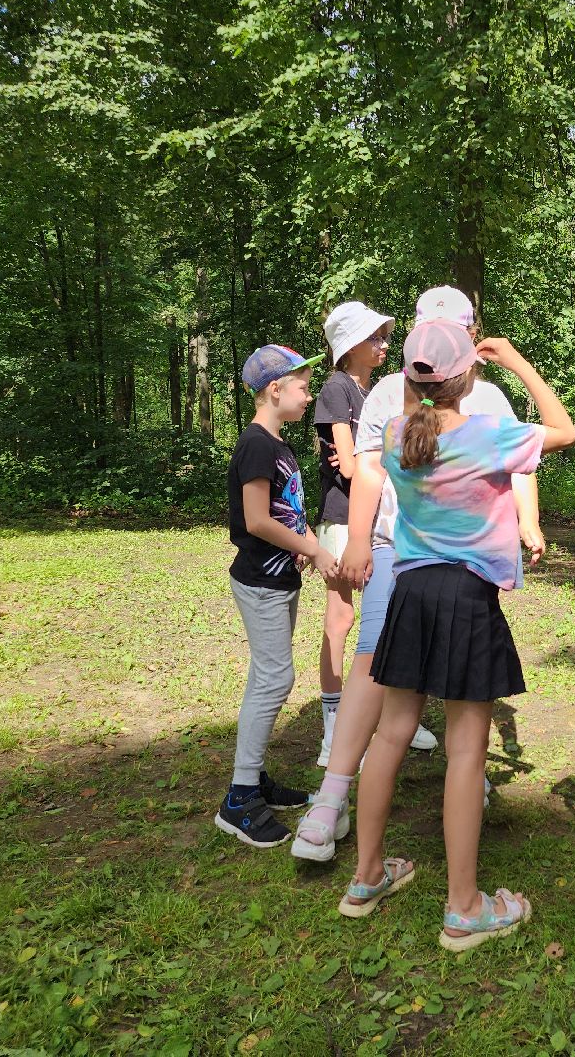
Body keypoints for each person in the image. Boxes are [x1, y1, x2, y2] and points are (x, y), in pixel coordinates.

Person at [338, 320, 575, 952]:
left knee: (390, 734)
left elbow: (416, 419)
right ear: (469, 374)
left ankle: (365, 878)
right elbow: (565, 428)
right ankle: (464, 907)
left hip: (411, 594)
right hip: (467, 597)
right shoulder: (490, 436)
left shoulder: (395, 434)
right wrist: (520, 363)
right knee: (466, 751)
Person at [291, 286, 544, 862]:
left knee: (394, 679)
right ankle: (332, 799)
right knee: (376, 664)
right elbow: (370, 476)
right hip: (402, 552)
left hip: (439, 558)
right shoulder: (398, 393)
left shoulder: (471, 398)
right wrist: (359, 540)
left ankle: (384, 813)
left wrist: (528, 520)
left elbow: (519, 469)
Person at [214, 344, 338, 848]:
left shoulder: (279, 444)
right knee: (275, 678)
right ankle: (239, 799)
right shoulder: (257, 445)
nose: (309, 396)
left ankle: (254, 774)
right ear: (275, 389)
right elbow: (256, 519)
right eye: (304, 387)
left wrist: (301, 543)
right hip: (260, 582)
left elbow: (284, 510)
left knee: (266, 677)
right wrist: (314, 546)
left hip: (279, 577)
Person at [311, 301, 395, 768]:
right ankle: (334, 720)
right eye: (374, 338)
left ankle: (385, 715)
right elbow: (347, 461)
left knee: (383, 620)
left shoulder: (377, 390)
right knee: (342, 618)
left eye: (383, 337)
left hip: (380, 519)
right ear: (350, 347)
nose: (383, 345)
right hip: (345, 518)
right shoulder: (336, 388)